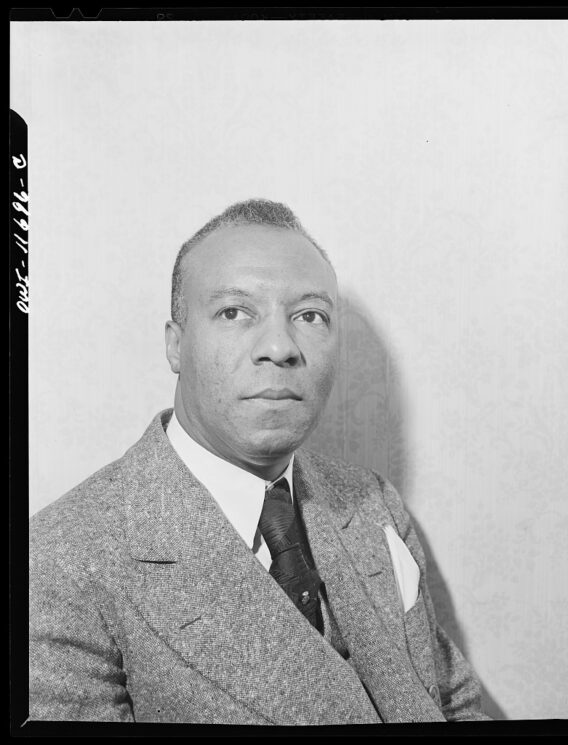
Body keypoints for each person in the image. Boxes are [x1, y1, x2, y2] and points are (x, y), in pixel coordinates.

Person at [29, 199, 490, 724]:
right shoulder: (56, 563)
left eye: (309, 316)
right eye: (234, 312)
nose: (279, 346)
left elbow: (453, 704)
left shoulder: (371, 501)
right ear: (175, 346)